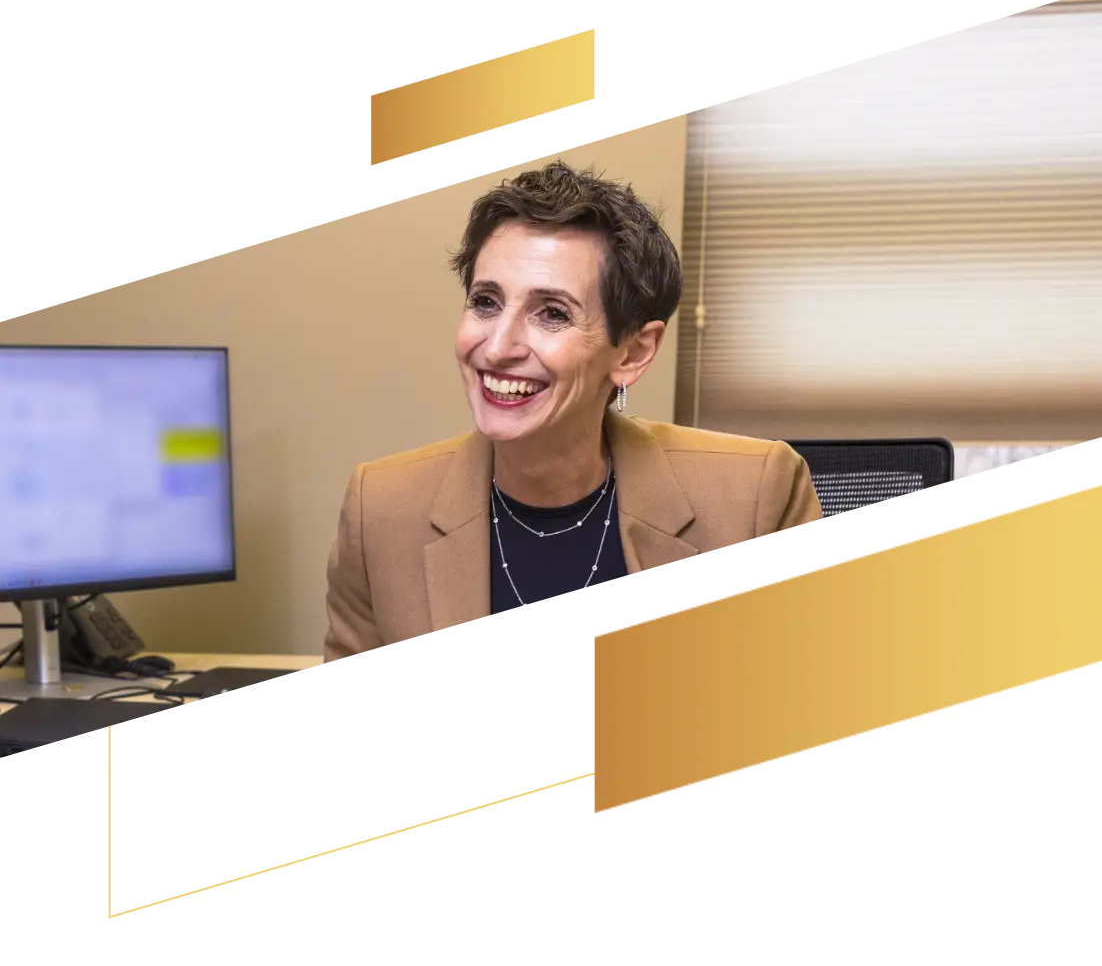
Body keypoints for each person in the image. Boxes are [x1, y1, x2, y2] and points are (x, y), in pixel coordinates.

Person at [324, 162, 822, 660]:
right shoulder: (381, 511)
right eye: (486, 301)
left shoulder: (754, 502)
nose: (498, 347)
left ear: (632, 353)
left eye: (552, 313)